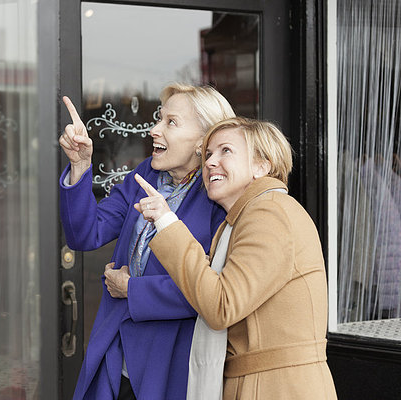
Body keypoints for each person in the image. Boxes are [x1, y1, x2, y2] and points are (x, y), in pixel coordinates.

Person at [134, 117, 338, 399]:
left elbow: (221, 305)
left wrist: (167, 223)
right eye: (207, 154)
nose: (209, 162)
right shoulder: (246, 217)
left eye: (225, 151)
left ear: (261, 165)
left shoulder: (268, 213)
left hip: (275, 388)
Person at [59, 83, 235, 399]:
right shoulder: (147, 175)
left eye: (171, 122)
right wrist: (80, 165)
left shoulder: (218, 197)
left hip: (169, 363)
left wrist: (133, 290)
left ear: (202, 141)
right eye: (159, 118)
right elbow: (86, 233)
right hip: (116, 351)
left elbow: (215, 292)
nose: (154, 130)